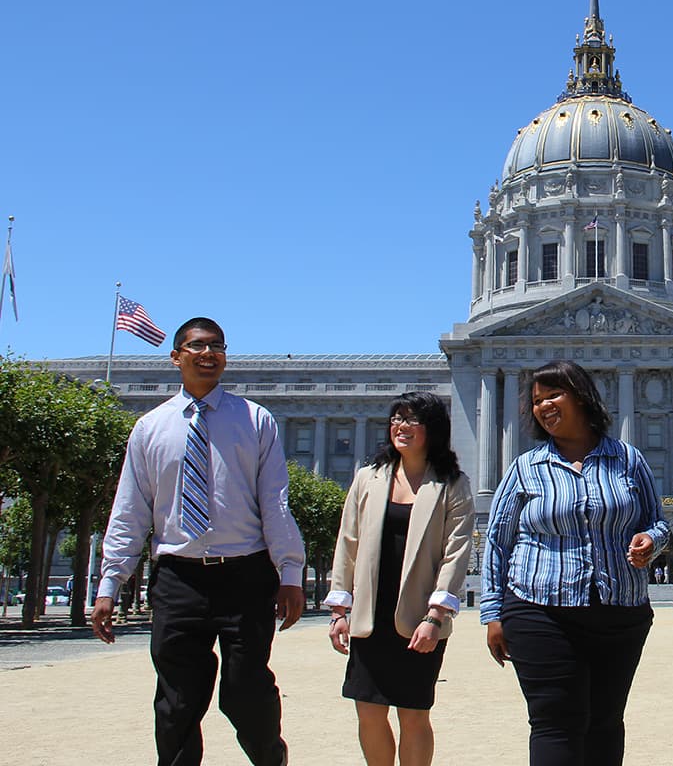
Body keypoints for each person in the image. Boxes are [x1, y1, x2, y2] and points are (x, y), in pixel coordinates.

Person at [90, 317, 305, 766]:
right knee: (177, 701)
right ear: (176, 357)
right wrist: (110, 583)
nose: (209, 355)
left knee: (247, 693)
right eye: (198, 346)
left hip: (245, 574)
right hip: (177, 577)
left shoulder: (255, 419)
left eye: (218, 347)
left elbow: (275, 502)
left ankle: (271, 759)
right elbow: (130, 510)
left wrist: (289, 573)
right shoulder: (150, 428)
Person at [481, 360, 671, 766]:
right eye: (536, 401)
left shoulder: (628, 459)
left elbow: (658, 522)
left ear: (582, 396)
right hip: (539, 608)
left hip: (618, 610)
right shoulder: (525, 467)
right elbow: (498, 541)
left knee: (605, 721)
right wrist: (493, 613)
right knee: (555, 721)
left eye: (553, 395)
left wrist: (649, 541)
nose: (543, 406)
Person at [324, 392, 474, 766]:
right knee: (368, 710)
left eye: (411, 420)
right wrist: (339, 609)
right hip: (370, 614)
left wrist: (436, 616)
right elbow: (348, 543)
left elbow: (455, 553)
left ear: (432, 429)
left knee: (413, 713)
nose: (401, 427)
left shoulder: (451, 484)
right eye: (396, 418)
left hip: (419, 617)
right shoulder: (368, 478)